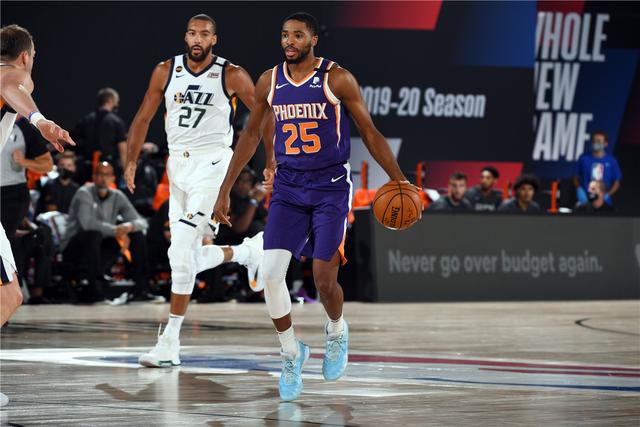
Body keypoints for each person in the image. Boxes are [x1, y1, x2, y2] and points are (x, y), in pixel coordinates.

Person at [213, 12, 413, 401]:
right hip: (288, 188)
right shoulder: (270, 80)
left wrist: (399, 179)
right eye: (284, 35)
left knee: (323, 279)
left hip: (330, 187)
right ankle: (291, 353)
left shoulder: (337, 79)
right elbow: (251, 134)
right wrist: (226, 187)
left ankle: (336, 330)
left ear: (313, 40)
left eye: (298, 35)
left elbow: (369, 132)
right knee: (271, 276)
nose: (289, 41)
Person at [124, 14, 271, 368]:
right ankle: (247, 253)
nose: (197, 39)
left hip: (213, 166)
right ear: (185, 36)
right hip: (177, 167)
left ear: (214, 40)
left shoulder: (231, 74)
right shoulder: (165, 70)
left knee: (181, 251)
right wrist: (130, 161)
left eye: (204, 34)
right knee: (181, 258)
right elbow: (143, 117)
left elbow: (264, 116)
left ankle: (169, 341)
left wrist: (272, 159)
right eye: (192, 33)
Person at [0, 23, 75, 407]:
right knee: (9, 295)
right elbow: (11, 85)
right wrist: (40, 120)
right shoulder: (14, 72)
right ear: (26, 56)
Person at [61, 161, 154, 303]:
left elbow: (141, 222)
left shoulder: (117, 195)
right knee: (94, 234)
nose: (103, 178)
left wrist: (129, 226)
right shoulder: (84, 193)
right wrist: (116, 231)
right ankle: (94, 285)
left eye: (107, 175)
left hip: (100, 245)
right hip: (74, 247)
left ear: (113, 178)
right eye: (99, 174)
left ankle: (141, 288)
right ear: (93, 177)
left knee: (136, 234)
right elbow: (87, 224)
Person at [1, 116, 54, 251]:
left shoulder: (23, 126)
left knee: (3, 244)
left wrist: (24, 162)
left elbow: (47, 164)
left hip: (11, 195)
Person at [72, 87, 127, 184]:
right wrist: (126, 172)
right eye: (116, 102)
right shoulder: (117, 122)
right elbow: (123, 150)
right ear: (111, 101)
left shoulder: (86, 120)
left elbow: (69, 139)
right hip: (108, 170)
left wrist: (49, 147)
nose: (117, 104)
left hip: (86, 169)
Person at [216, 167, 268, 246]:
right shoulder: (228, 198)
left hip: (245, 244)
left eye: (246, 181)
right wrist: (253, 202)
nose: (241, 184)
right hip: (225, 242)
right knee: (256, 226)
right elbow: (238, 228)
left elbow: (268, 222)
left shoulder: (253, 197)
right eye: (238, 180)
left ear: (253, 185)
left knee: (259, 227)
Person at [573, 131, 621, 206]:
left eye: (598, 141)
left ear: (605, 144)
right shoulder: (584, 158)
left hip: (604, 202)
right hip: (585, 201)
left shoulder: (611, 161)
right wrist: (579, 190)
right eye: (594, 141)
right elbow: (575, 176)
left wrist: (606, 195)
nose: (596, 143)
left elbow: (617, 182)